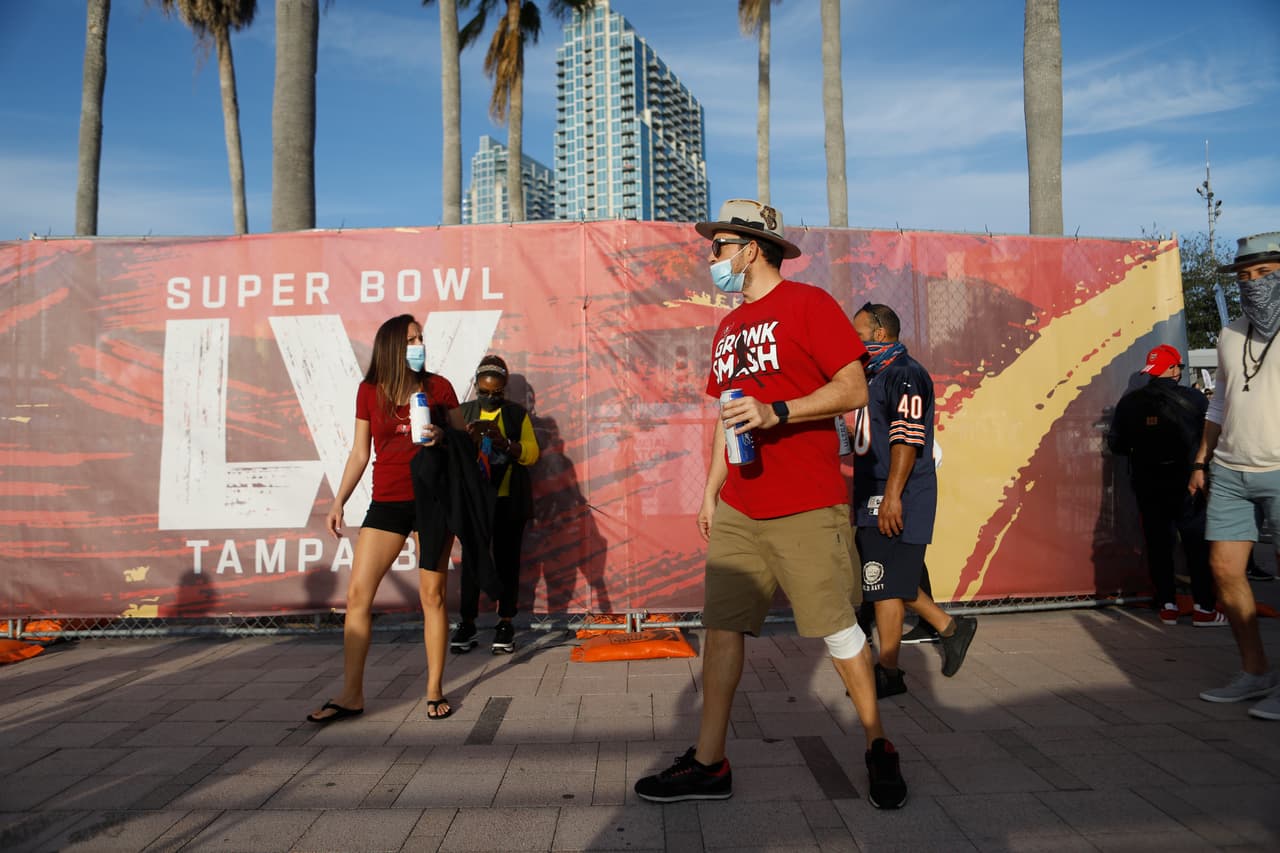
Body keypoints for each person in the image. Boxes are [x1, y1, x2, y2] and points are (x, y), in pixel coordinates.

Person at [634, 199, 908, 809]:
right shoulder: (728, 327)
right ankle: (709, 763)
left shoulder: (809, 305)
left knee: (837, 629)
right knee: (723, 630)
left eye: (719, 247)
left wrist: (777, 411)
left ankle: (876, 744)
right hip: (739, 507)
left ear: (751, 248)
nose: (712, 259)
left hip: (807, 505)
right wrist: (710, 492)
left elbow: (853, 386)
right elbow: (724, 415)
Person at [307, 314, 460, 723]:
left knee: (433, 597)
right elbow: (360, 452)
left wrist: (444, 437)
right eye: (412, 338)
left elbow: (464, 442)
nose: (419, 344)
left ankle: (434, 690)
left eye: (421, 337)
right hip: (387, 502)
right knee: (358, 597)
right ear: (392, 346)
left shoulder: (439, 388)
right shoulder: (368, 392)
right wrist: (338, 500)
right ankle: (352, 695)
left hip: (434, 501)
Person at [850, 303, 977, 698]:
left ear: (881, 334)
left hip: (901, 493)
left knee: (892, 581)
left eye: (858, 334)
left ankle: (951, 628)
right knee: (881, 584)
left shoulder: (906, 374)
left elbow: (906, 439)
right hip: (872, 490)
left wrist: (892, 497)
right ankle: (890, 672)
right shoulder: (869, 374)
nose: (852, 341)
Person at [1191, 232, 1280, 721]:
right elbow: (1220, 403)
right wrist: (1201, 459)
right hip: (1229, 468)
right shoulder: (1230, 334)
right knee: (1225, 573)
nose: (1253, 284)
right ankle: (1256, 671)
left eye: (1265, 275)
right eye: (1245, 277)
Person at [1106, 344, 1224, 626]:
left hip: (1147, 483)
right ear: (1172, 369)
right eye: (1179, 367)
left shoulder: (1129, 403)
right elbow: (1213, 435)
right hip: (1187, 482)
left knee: (1159, 544)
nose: (1180, 372)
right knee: (1196, 544)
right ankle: (1204, 608)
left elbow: (1117, 445)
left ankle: (1167, 605)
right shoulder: (1195, 399)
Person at [449, 355, 541, 654]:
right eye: (484, 392)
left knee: (507, 561)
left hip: (508, 499)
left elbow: (531, 454)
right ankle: (467, 622)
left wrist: (504, 443)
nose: (490, 398)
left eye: (496, 393)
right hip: (474, 501)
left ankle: (505, 621)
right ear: (475, 386)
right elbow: (450, 456)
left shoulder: (517, 415)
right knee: (473, 562)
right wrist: (469, 442)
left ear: (505, 390)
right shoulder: (462, 413)